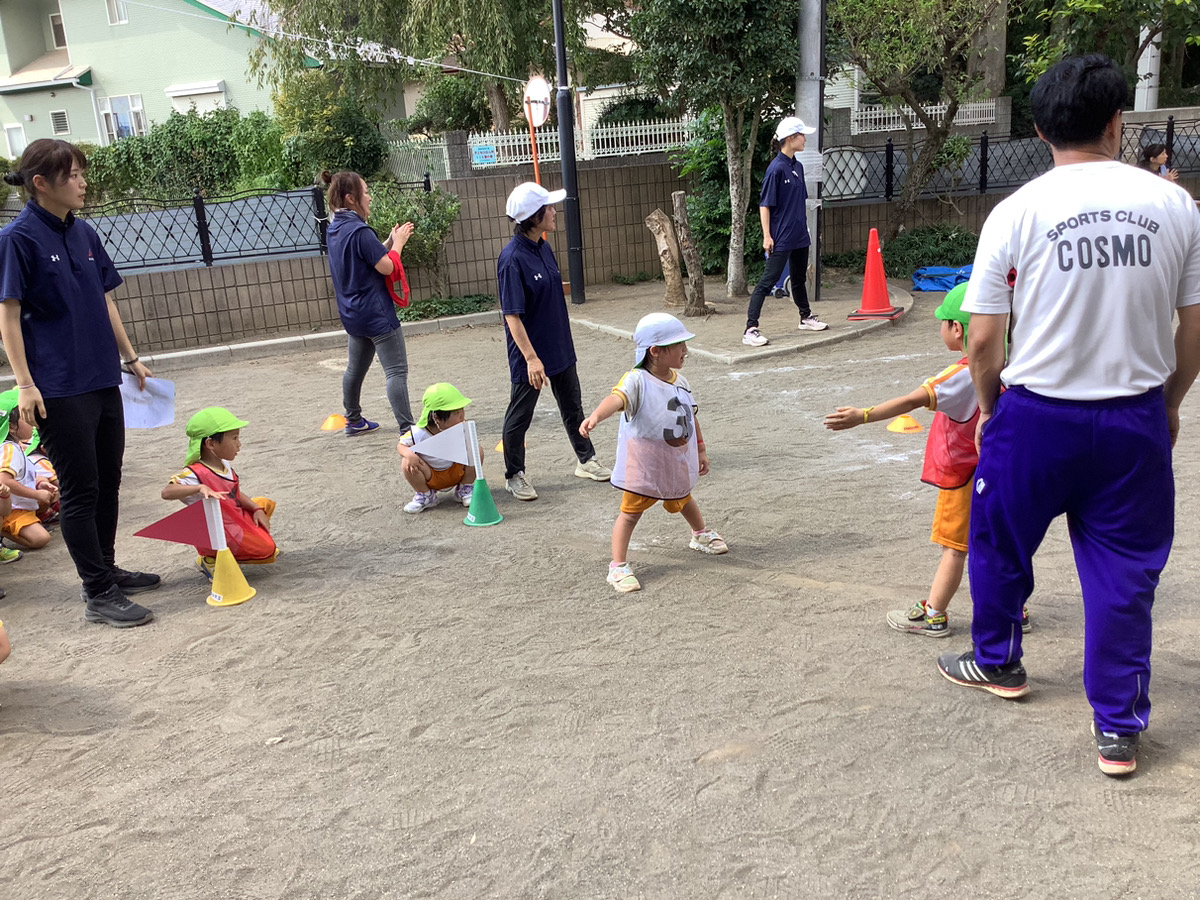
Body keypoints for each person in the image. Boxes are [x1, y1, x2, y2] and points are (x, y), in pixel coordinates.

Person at [937, 55, 1200, 777]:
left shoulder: (1015, 211)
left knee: (998, 542)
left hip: (1036, 415)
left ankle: (999, 663)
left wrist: (991, 408)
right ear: (1119, 123)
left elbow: (984, 337)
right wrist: (1170, 404)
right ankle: (1118, 728)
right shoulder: (1175, 206)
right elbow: (1194, 325)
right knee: (1123, 575)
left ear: (1041, 127)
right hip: (1134, 418)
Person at [0, 139, 158, 628]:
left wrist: (129, 357)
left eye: (81, 173)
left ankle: (107, 568)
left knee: (108, 479)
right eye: (71, 175)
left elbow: (106, 300)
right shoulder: (18, 239)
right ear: (40, 183)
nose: (83, 182)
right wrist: (25, 382)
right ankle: (96, 592)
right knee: (80, 488)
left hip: (100, 377)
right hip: (58, 386)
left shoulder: (85, 232)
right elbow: (8, 315)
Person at [825, 285, 1031, 638]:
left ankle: (934, 612)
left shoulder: (961, 375)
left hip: (965, 476)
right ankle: (1015, 609)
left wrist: (864, 415)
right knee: (1001, 541)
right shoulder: (1016, 366)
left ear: (958, 329)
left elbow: (911, 401)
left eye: (944, 321)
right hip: (1006, 474)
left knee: (955, 548)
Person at [580, 313, 727, 593]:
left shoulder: (680, 381)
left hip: (675, 460)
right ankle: (618, 565)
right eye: (679, 345)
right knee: (631, 512)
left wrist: (701, 449)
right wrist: (597, 416)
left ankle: (699, 534)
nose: (686, 350)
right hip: (645, 464)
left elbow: (690, 417)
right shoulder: (636, 380)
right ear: (656, 352)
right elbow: (617, 398)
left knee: (684, 497)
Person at [498, 182, 611, 501]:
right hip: (529, 355)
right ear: (533, 217)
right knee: (519, 417)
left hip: (559, 345)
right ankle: (514, 474)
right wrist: (532, 359)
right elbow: (512, 316)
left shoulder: (543, 247)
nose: (554, 211)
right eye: (548, 207)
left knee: (573, 407)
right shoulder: (511, 259)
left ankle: (586, 460)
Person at [322, 170, 417, 436]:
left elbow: (369, 255)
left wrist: (388, 241)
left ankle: (353, 420)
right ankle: (407, 429)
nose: (370, 197)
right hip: (376, 314)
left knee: (355, 368)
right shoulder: (359, 230)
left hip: (353, 314)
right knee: (396, 371)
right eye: (365, 192)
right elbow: (386, 267)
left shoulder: (336, 228)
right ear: (351, 198)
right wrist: (398, 244)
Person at [742, 116, 828, 348]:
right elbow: (765, 205)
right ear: (791, 138)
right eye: (802, 135)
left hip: (800, 235)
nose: (805, 139)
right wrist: (767, 236)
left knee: (799, 279)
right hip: (781, 237)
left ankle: (805, 317)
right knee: (767, 281)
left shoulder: (797, 165)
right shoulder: (776, 169)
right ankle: (750, 328)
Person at [162, 408, 278, 578]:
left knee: (263, 504)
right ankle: (211, 558)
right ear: (210, 444)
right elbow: (167, 492)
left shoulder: (223, 464)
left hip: (232, 517)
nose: (239, 444)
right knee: (267, 550)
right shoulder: (195, 473)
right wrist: (199, 488)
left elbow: (234, 494)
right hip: (221, 530)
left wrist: (256, 509)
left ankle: (244, 543)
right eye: (234, 438)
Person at [398, 383, 481, 513]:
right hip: (431, 475)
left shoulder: (461, 427)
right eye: (456, 412)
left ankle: (465, 488)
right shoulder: (419, 433)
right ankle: (425, 495)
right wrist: (409, 455)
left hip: (456, 470)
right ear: (437, 417)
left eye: (462, 410)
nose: (462, 416)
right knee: (407, 463)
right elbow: (401, 445)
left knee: (477, 450)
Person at [0, 391, 56, 550]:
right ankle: (4, 527)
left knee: (48, 496)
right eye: (24, 417)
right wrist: (36, 494)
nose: (30, 420)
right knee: (40, 539)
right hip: (12, 508)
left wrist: (40, 482)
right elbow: (4, 481)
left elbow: (23, 473)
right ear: (11, 427)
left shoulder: (14, 446)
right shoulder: (9, 449)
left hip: (19, 502)